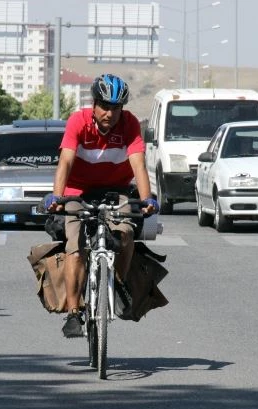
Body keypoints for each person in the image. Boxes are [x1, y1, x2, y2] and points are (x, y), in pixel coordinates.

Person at [44, 74, 159, 338]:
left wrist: (147, 199)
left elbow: (139, 165)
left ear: (123, 108)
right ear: (94, 105)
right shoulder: (78, 122)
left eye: (116, 107)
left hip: (116, 191)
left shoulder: (129, 124)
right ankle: (74, 313)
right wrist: (57, 197)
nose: (110, 113)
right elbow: (66, 163)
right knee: (76, 246)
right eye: (105, 106)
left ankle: (118, 284)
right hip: (77, 192)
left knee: (127, 232)